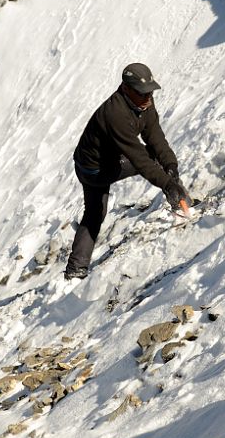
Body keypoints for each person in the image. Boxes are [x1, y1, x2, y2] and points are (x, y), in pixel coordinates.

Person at [64, 62, 190, 279]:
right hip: (96, 170)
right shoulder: (115, 114)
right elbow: (139, 158)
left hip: (90, 163)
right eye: (142, 93)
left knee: (95, 213)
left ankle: (76, 268)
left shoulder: (143, 104)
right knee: (150, 161)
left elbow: (154, 135)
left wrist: (171, 167)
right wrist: (168, 184)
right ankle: (184, 206)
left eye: (150, 91)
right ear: (126, 88)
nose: (148, 97)